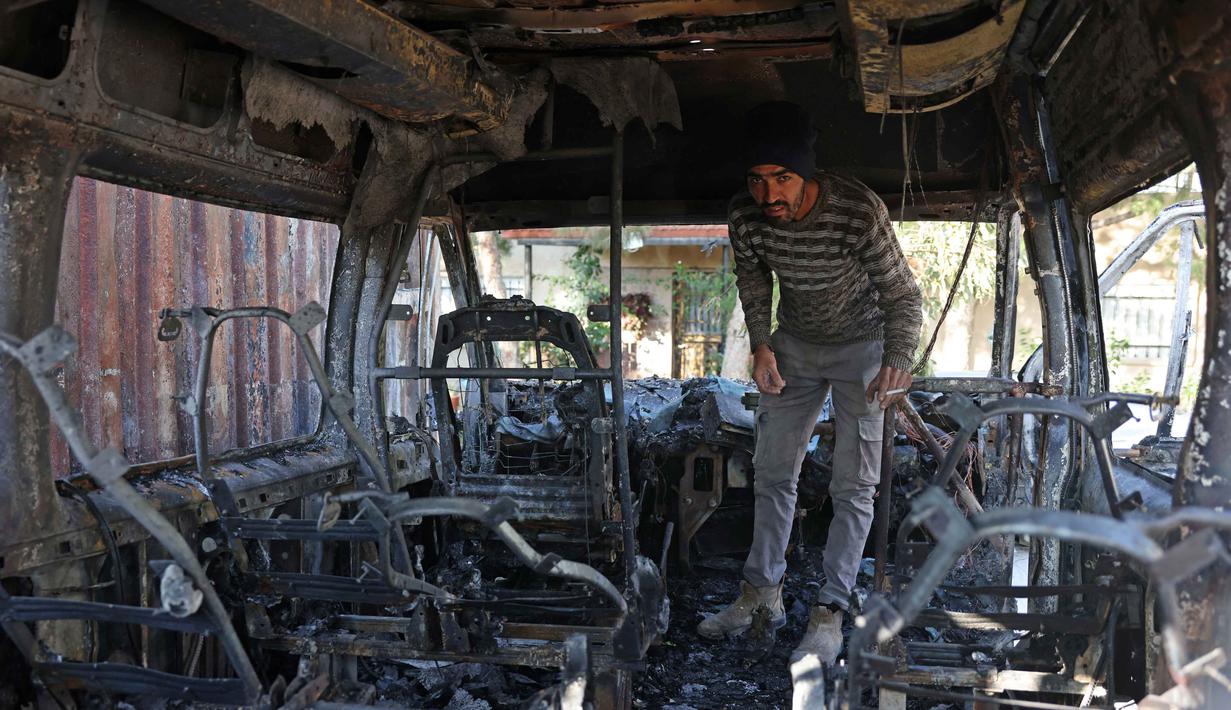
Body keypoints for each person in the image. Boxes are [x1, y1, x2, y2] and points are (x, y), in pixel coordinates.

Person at [696, 101, 922, 673]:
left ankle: (829, 612)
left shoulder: (856, 211)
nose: (768, 196)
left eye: (782, 180)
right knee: (772, 471)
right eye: (757, 181)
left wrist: (898, 357)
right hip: (794, 342)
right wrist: (761, 343)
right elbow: (752, 278)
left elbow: (903, 295)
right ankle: (759, 596)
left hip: (864, 348)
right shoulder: (746, 216)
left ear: (807, 174)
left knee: (855, 484)